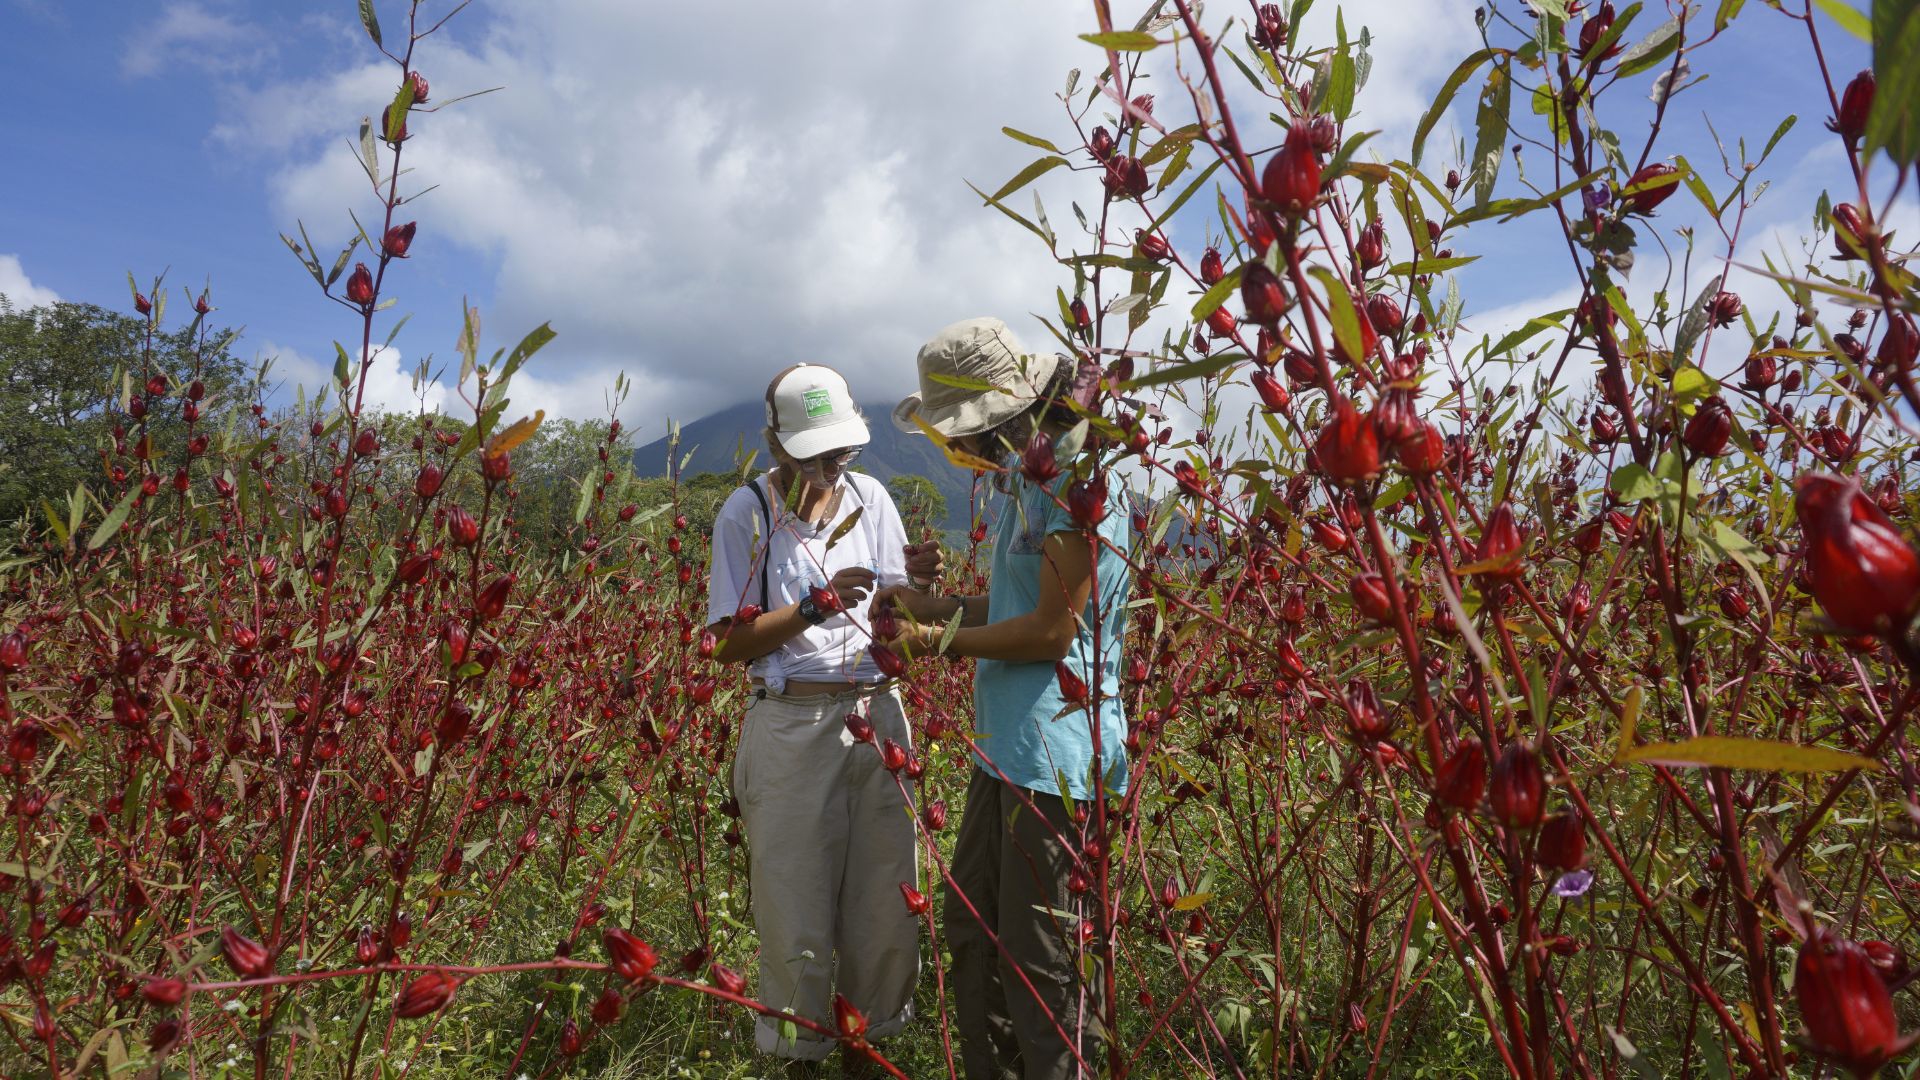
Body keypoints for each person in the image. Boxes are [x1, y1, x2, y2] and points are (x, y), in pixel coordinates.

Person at [875, 317, 1133, 1080]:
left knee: (1038, 960)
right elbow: (1017, 603)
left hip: (1057, 759)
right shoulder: (1027, 482)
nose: (968, 450)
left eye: (972, 434)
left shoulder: (1082, 487)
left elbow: (1052, 632)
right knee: (974, 935)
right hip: (1006, 751)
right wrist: (929, 607)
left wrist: (935, 642)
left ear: (1013, 415)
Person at [704, 363, 942, 1077]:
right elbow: (726, 644)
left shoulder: (872, 497)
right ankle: (798, 1055)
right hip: (792, 725)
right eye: (815, 455)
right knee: (794, 906)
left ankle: (870, 1048)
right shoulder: (746, 513)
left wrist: (919, 583)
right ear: (777, 446)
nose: (831, 465)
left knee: (885, 901)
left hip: (877, 713)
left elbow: (898, 612)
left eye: (840, 450)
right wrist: (815, 605)